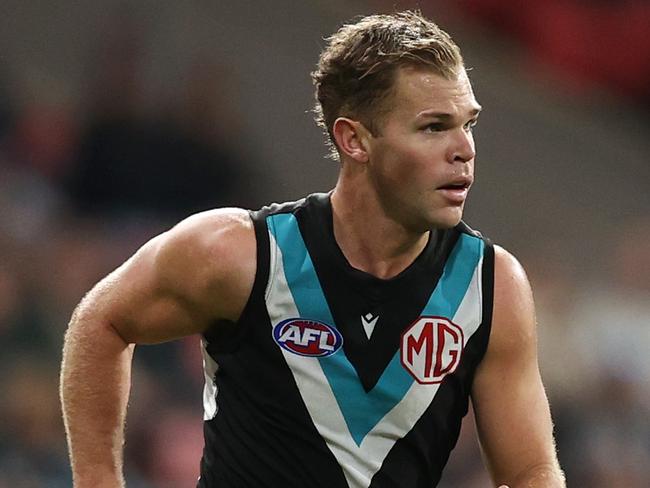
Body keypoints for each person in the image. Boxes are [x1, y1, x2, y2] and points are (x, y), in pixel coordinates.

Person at [60, 10, 565, 488]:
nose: (465, 149)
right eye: (434, 127)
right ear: (354, 140)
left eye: (468, 123)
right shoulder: (241, 254)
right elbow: (100, 324)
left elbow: (529, 472)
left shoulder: (491, 286)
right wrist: (99, 480)